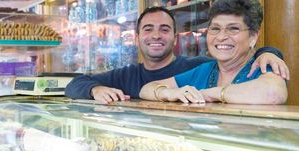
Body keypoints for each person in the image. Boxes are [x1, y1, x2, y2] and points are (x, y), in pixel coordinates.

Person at [65, 6, 289, 104]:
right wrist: (95, 89)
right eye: (148, 29)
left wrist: (268, 52)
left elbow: (271, 90)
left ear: (175, 38)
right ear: (136, 38)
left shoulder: (196, 65)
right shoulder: (126, 74)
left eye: (164, 29)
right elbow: (74, 84)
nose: (156, 36)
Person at [139, 0, 287, 105]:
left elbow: (273, 93)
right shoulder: (204, 70)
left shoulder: (262, 65)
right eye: (215, 29)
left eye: (233, 28)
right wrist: (169, 93)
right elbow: (146, 89)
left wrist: (211, 93)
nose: (221, 37)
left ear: (253, 37)